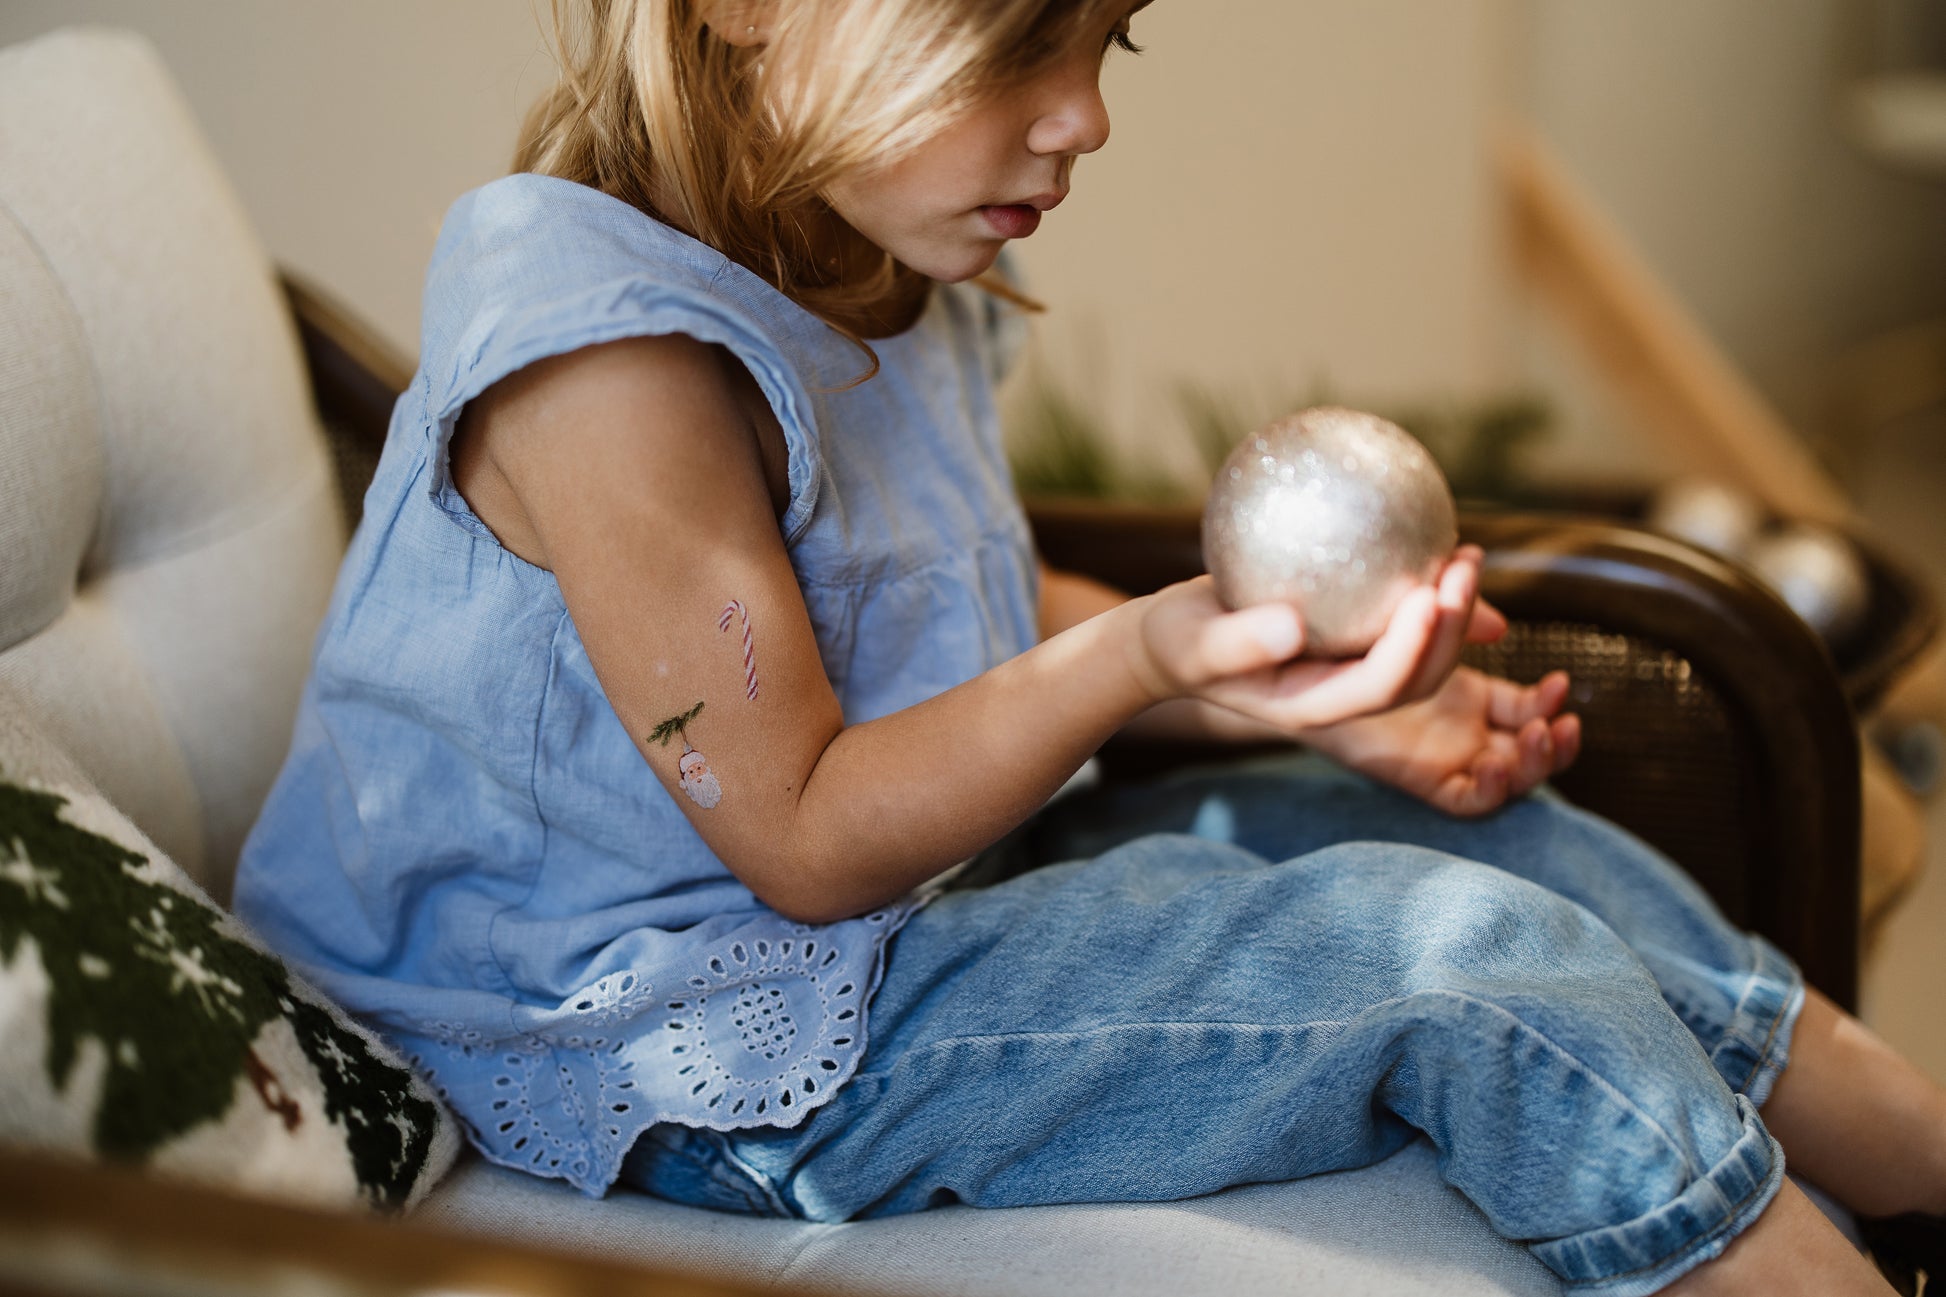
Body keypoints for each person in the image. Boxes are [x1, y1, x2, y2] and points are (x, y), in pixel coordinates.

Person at [232, 2, 1946, 1293]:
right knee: (1461, 963)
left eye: (1106, 36)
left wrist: (1277, 694)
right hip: (669, 1036)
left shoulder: (861, 249)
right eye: (1015, 41)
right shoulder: (611, 365)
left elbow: (948, 612)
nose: (1085, 116)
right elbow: (810, 830)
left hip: (895, 902)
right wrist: (1151, 653)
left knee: (1491, 838)